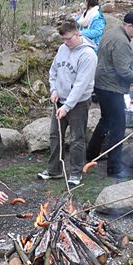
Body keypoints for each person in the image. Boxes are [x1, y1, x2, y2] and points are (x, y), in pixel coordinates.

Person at [86, 13, 133, 178]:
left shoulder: (111, 32)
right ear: (128, 25)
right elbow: (123, 71)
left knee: (106, 120)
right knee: (118, 126)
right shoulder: (121, 41)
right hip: (111, 87)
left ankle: (91, 154)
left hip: (101, 84)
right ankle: (114, 167)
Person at [37, 20, 97, 187]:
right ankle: (54, 170)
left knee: (77, 138)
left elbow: (81, 85)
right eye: (62, 39)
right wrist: (54, 90)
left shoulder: (88, 55)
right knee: (55, 135)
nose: (65, 42)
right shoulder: (63, 49)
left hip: (78, 103)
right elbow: (54, 71)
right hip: (60, 99)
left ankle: (76, 173)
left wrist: (67, 106)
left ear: (77, 34)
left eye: (68, 39)